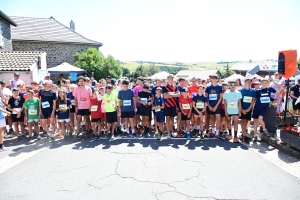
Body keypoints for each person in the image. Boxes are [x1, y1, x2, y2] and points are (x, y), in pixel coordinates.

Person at [163, 74, 180, 138]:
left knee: (172, 119)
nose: (171, 80)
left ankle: (171, 131)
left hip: (173, 105)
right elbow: (165, 96)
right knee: (167, 118)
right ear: (167, 79)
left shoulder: (175, 87)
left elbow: (178, 95)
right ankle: (168, 133)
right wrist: (173, 94)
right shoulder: (165, 87)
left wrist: (170, 95)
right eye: (169, 79)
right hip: (167, 105)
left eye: (172, 79)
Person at [239, 78, 256, 143]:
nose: (249, 83)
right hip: (242, 108)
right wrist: (242, 109)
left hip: (249, 109)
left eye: (250, 82)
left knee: (246, 121)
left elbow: (253, 100)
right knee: (243, 121)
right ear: (245, 82)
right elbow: (239, 101)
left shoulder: (253, 91)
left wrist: (249, 109)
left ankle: (244, 134)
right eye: (247, 82)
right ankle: (244, 135)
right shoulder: (241, 91)